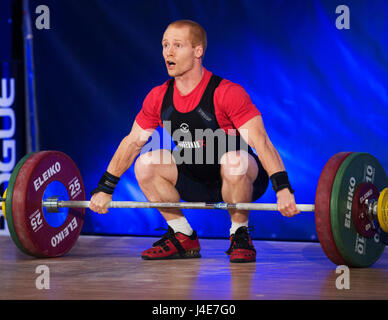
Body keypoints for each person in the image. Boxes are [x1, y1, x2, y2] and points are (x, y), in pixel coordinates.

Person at [89, 19, 299, 263]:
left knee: (234, 161)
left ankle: (239, 233)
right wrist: (106, 188)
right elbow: (132, 141)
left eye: (177, 45)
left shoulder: (227, 92)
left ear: (198, 51)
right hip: (194, 178)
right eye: (165, 45)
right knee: (145, 163)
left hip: (239, 176)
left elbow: (261, 142)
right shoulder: (158, 96)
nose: (168, 51)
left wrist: (282, 189)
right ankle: (182, 234)